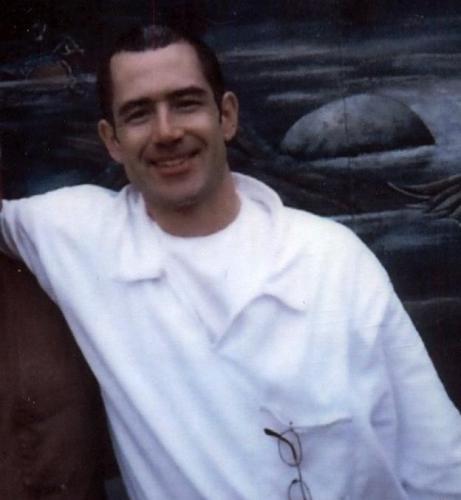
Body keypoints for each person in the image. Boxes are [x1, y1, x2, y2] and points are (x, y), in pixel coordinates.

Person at [1, 24, 460, 500]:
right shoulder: (80, 236)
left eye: (186, 103)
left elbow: (440, 467)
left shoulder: (333, 259)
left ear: (227, 116)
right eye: (139, 113)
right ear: (111, 140)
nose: (167, 131)